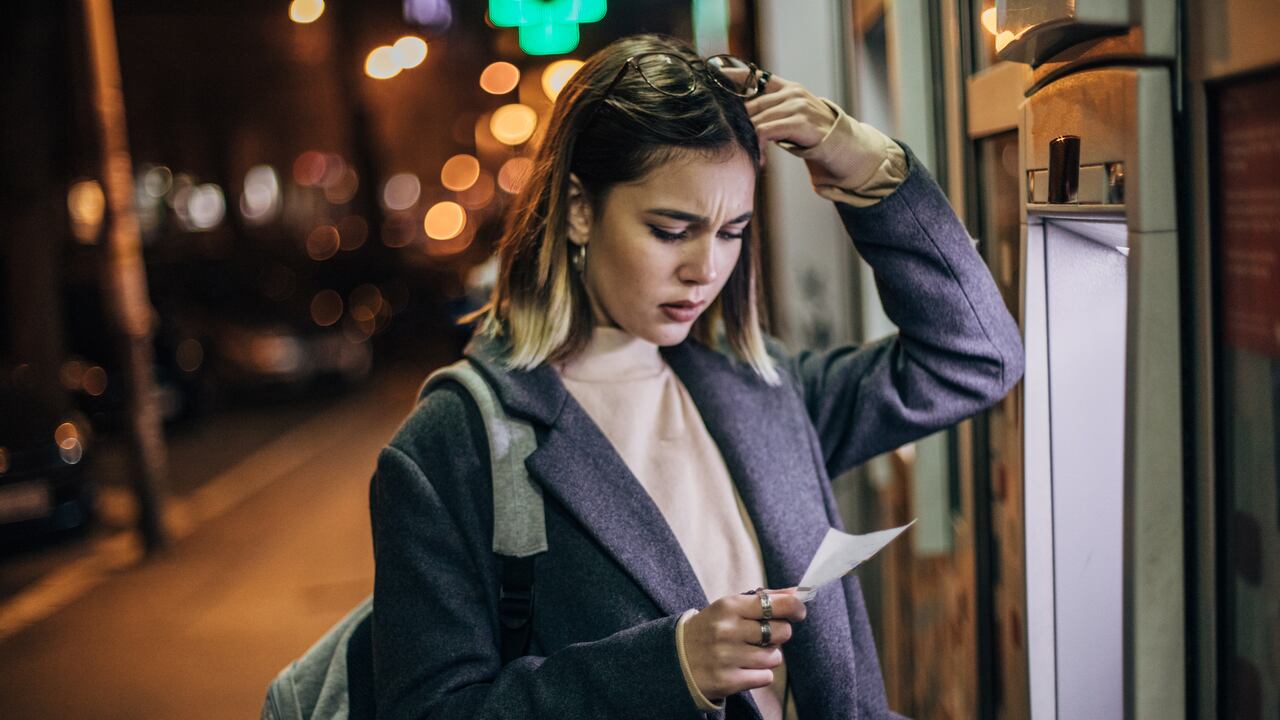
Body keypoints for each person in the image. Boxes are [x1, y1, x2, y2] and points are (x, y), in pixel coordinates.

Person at [369, 33, 1023, 720]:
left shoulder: (757, 390)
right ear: (579, 208)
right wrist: (668, 667)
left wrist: (862, 164)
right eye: (671, 229)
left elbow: (975, 355)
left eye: (733, 231)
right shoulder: (457, 444)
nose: (706, 269)